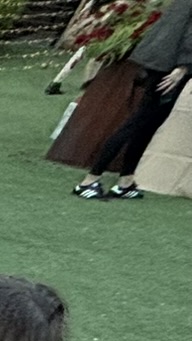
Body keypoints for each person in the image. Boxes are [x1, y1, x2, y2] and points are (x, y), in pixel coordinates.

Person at [73, 0, 191, 199]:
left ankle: (125, 181)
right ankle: (90, 180)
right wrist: (183, 67)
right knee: (139, 122)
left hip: (161, 59)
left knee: (146, 125)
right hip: (171, 66)